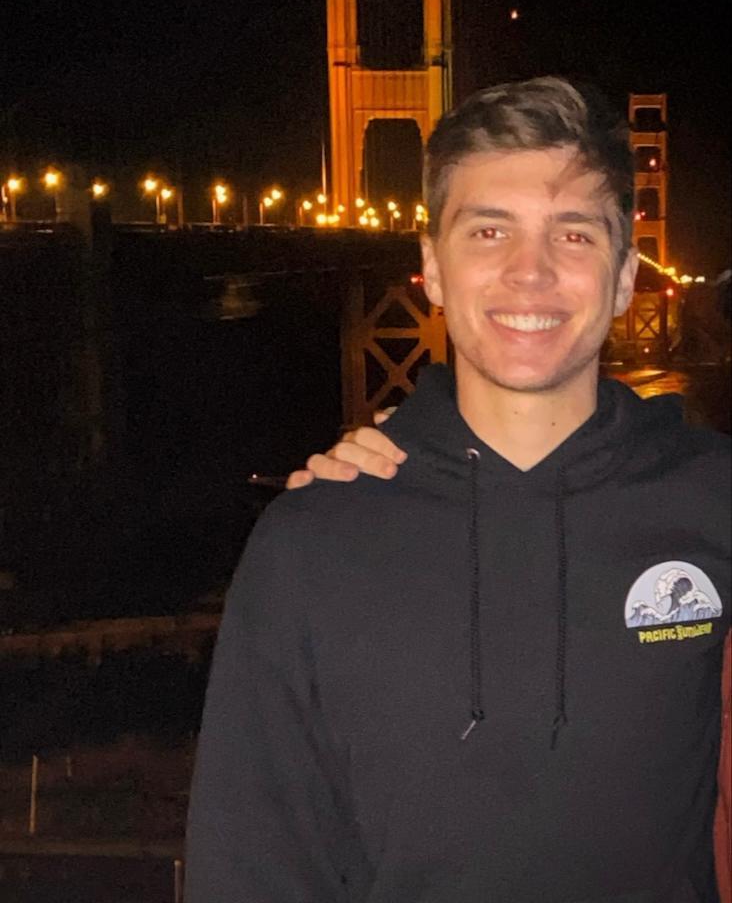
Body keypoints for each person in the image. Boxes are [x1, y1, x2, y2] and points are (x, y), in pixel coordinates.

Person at [185, 77, 730, 902]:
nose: (529, 272)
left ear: (624, 276)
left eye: (574, 236)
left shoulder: (713, 496)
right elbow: (251, 865)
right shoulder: (310, 540)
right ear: (433, 269)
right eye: (488, 230)